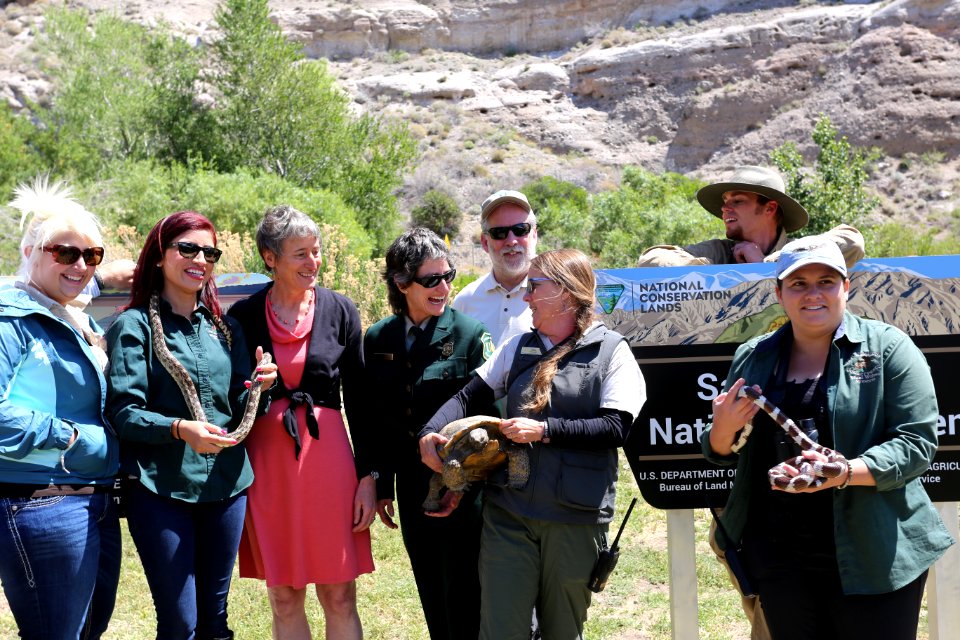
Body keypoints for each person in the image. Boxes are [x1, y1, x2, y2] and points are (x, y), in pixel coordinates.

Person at [702, 237, 953, 639]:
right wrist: (722, 429)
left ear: (846, 287)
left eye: (826, 281)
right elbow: (723, 453)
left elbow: (916, 443)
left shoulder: (889, 349)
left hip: (874, 554)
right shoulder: (754, 356)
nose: (813, 294)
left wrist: (845, 472)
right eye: (798, 284)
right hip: (780, 557)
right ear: (779, 293)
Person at [420, 248, 646, 640]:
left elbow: (616, 427)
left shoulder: (612, 351)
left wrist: (544, 431)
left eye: (534, 287)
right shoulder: (518, 347)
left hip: (575, 518)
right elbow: (468, 395)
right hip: (510, 514)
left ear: (566, 294)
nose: (526, 297)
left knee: (561, 630)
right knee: (501, 629)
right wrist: (430, 432)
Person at [105, 211, 277, 640]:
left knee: (214, 618)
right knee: (180, 622)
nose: (199, 258)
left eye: (209, 251)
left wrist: (260, 386)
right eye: (187, 248)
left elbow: (237, 403)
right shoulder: (135, 326)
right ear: (160, 256)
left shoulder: (226, 327)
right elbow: (124, 412)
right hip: (161, 487)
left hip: (227, 485)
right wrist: (181, 429)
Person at [226, 205, 375, 640]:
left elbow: (361, 401)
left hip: (329, 463)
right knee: (284, 596)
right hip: (268, 467)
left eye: (317, 252)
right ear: (269, 257)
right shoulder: (244, 317)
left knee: (339, 593)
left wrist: (370, 476)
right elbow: (229, 398)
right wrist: (255, 386)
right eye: (300, 254)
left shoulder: (342, 310)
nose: (313, 263)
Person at [0, 178, 121, 640]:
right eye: (65, 253)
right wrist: (74, 437)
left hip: (92, 499)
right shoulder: (10, 318)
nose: (81, 266)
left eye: (92, 256)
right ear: (31, 249)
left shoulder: (75, 316)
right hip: (39, 502)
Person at [362, 227, 494, 640]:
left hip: (464, 487)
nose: (444, 286)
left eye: (448, 275)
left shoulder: (469, 335)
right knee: (431, 591)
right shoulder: (378, 337)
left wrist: (461, 483)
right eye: (431, 279)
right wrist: (382, 482)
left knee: (466, 593)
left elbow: (488, 420)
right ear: (401, 283)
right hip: (411, 486)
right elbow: (376, 419)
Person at [636, 165, 864, 268]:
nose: (725, 209)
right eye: (725, 203)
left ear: (770, 208)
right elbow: (651, 261)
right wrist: (712, 272)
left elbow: (852, 241)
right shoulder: (719, 252)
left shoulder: (801, 249)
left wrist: (766, 266)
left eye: (737, 201)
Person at [452, 189, 537, 347]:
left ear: (534, 235)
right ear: (485, 242)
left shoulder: (559, 294)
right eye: (499, 233)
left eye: (520, 230)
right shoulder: (465, 302)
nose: (511, 241)